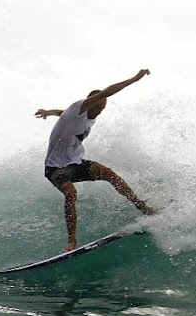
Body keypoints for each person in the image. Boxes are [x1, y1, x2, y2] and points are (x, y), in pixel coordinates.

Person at [35, 68, 156, 252]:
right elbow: (107, 92)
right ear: (90, 102)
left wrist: (49, 112)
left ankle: (142, 207)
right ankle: (72, 241)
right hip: (55, 167)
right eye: (98, 107)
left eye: (103, 109)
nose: (99, 112)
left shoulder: (82, 115)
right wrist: (135, 79)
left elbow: (63, 113)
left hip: (75, 163)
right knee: (71, 193)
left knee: (110, 174)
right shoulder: (80, 107)